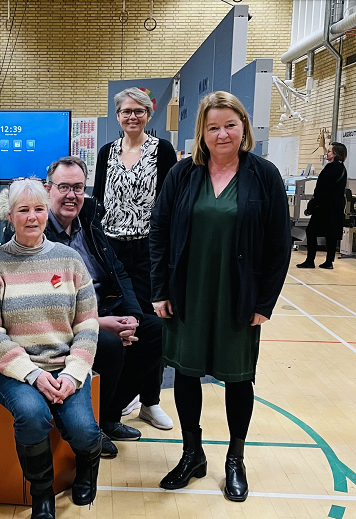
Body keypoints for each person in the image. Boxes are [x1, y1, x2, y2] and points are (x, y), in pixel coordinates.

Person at [149, 91, 291, 502]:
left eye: (230, 124)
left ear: (243, 127)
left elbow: (279, 244)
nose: (222, 133)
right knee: (187, 373)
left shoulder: (263, 175)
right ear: (202, 132)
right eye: (213, 127)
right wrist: (159, 290)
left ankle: (234, 459)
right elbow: (159, 233)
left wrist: (264, 303)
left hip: (239, 295)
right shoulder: (182, 174)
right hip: (187, 292)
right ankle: (192, 454)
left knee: (238, 377)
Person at [0, 179, 101, 519]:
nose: (32, 217)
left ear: (48, 213)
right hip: (13, 368)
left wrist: (73, 375)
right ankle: (42, 493)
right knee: (32, 416)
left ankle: (88, 464)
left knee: (84, 430)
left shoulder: (70, 259)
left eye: (39, 209)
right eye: (23, 210)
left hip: (65, 365)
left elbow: (87, 325)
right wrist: (31, 374)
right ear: (9, 216)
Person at [40, 156, 163, 459]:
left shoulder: (90, 224)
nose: (72, 195)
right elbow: (51, 300)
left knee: (155, 331)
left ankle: (110, 415)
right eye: (64, 187)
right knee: (109, 344)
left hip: (105, 305)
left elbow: (118, 271)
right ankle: (93, 424)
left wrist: (132, 315)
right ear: (48, 189)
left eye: (78, 188)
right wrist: (99, 323)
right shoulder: (38, 233)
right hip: (66, 320)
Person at [94, 87, 177, 430]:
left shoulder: (162, 150)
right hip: (111, 250)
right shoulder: (106, 152)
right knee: (122, 323)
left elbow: (171, 200)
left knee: (152, 323)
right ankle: (121, 393)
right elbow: (98, 199)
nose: (132, 117)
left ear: (148, 115)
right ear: (117, 116)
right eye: (126, 111)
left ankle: (150, 400)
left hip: (148, 249)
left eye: (139, 111)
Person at [297, 142, 348, 270]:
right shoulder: (342, 168)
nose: (327, 153)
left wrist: (313, 205)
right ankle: (329, 261)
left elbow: (321, 189)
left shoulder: (331, 168)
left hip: (324, 207)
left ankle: (310, 260)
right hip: (336, 208)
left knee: (311, 231)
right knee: (331, 235)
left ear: (335, 153)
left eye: (329, 151)